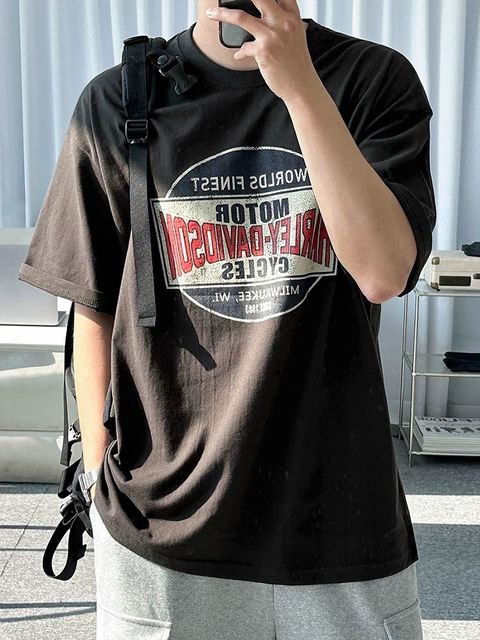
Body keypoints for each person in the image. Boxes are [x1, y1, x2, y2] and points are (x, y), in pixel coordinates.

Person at [18, 0, 436, 638]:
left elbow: (383, 272)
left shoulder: (370, 79)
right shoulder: (119, 99)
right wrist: (99, 473)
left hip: (337, 515)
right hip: (160, 524)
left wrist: (300, 88)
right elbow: (92, 302)